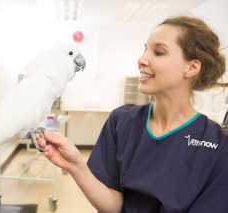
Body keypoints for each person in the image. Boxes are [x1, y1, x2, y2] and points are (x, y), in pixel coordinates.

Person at [35, 15, 228, 212]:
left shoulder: (219, 145)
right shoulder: (122, 120)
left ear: (192, 67)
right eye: (145, 49)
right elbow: (114, 206)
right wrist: (76, 166)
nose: (142, 60)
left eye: (159, 52)